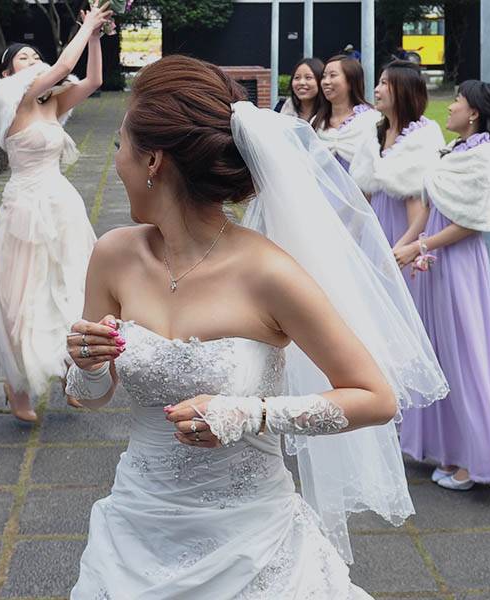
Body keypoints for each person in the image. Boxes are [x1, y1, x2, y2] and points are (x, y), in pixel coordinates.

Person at [64, 55, 446, 598]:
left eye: (120, 145)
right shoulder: (113, 256)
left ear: (153, 160)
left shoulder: (269, 272)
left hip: (251, 540)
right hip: (136, 524)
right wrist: (86, 364)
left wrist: (252, 412)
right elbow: (90, 396)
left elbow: (376, 397)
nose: (116, 159)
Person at [0, 3, 112, 422]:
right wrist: (86, 22)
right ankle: (16, 383)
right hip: (25, 208)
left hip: (62, 205)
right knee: (24, 297)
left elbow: (93, 78)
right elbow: (61, 67)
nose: (35, 62)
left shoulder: (50, 102)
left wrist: (93, 38)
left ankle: (69, 371)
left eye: (36, 58)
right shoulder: (5, 100)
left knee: (70, 288)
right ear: (7, 73)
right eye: (24, 58)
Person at [396, 81, 490, 490]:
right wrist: (403, 245)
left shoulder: (489, 156)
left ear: (475, 113)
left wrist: (420, 246)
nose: (450, 108)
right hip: (432, 262)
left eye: (458, 102)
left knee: (466, 358)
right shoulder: (455, 152)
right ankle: (447, 448)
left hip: (458, 263)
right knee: (437, 353)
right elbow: (428, 207)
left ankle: (476, 462)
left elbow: (473, 223)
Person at [350, 60, 444, 253]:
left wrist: (409, 248)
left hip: (402, 231)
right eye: (379, 83)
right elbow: (365, 192)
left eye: (384, 84)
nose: (376, 90)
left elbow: (420, 201)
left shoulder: (423, 138)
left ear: (403, 90)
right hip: (374, 227)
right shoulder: (374, 134)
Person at [314, 55, 381, 171]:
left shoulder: (371, 119)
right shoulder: (317, 121)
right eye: (324, 76)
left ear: (351, 81)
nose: (326, 82)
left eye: (333, 75)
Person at [279, 57, 327, 123]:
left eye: (308, 77)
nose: (301, 82)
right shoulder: (285, 108)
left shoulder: (330, 112)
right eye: (297, 78)